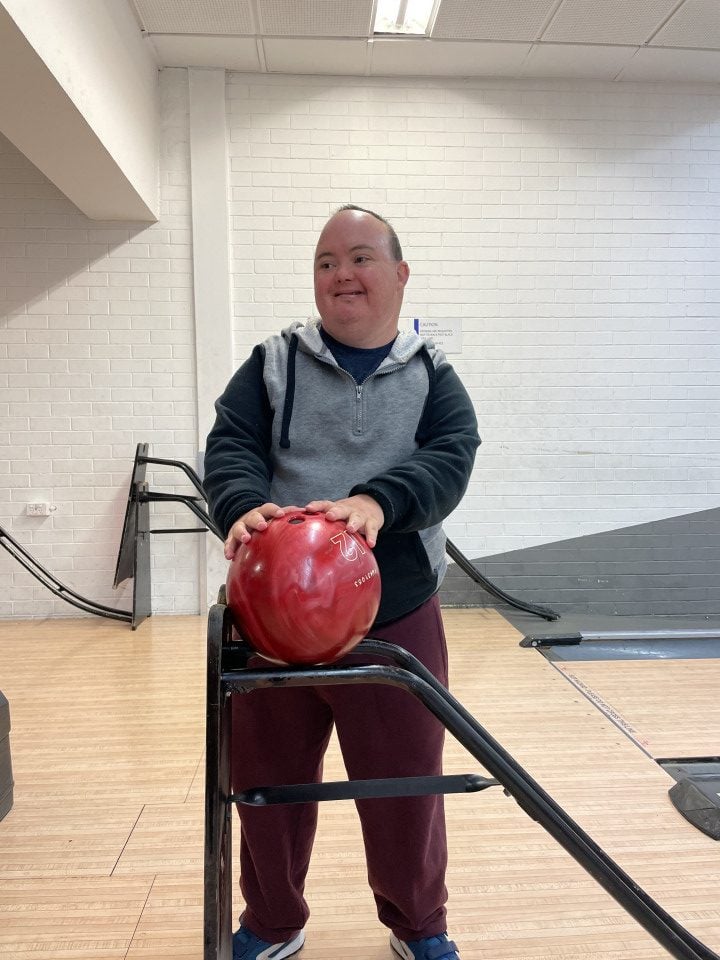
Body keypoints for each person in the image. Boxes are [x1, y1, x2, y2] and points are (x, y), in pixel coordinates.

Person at [203, 204, 480, 960]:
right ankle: (272, 923)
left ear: (399, 274)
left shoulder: (433, 374)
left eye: (359, 258)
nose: (341, 275)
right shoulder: (272, 361)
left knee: (405, 788)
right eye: (326, 262)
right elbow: (229, 445)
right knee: (267, 786)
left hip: (393, 617)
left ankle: (419, 927)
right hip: (269, 622)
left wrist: (376, 501)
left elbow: (452, 457)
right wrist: (239, 504)